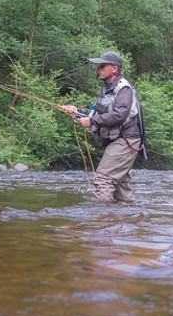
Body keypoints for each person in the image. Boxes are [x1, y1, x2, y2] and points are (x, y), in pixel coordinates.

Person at [61, 51, 144, 204]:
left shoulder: (124, 89)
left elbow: (119, 115)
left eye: (102, 66)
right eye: (99, 66)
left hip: (126, 139)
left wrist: (92, 121)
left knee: (104, 179)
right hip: (118, 140)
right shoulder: (106, 90)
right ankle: (129, 219)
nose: (98, 69)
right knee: (121, 186)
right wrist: (77, 111)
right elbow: (97, 113)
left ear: (114, 68)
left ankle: (101, 219)